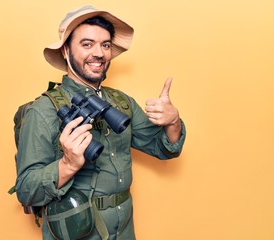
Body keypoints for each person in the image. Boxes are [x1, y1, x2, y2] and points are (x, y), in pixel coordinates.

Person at [15, 5, 186, 240]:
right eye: (87, 44)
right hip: (77, 229)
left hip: (124, 230)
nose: (99, 53)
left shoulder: (121, 102)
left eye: (105, 45)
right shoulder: (43, 111)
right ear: (66, 51)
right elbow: (26, 190)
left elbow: (164, 148)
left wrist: (173, 121)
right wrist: (68, 165)